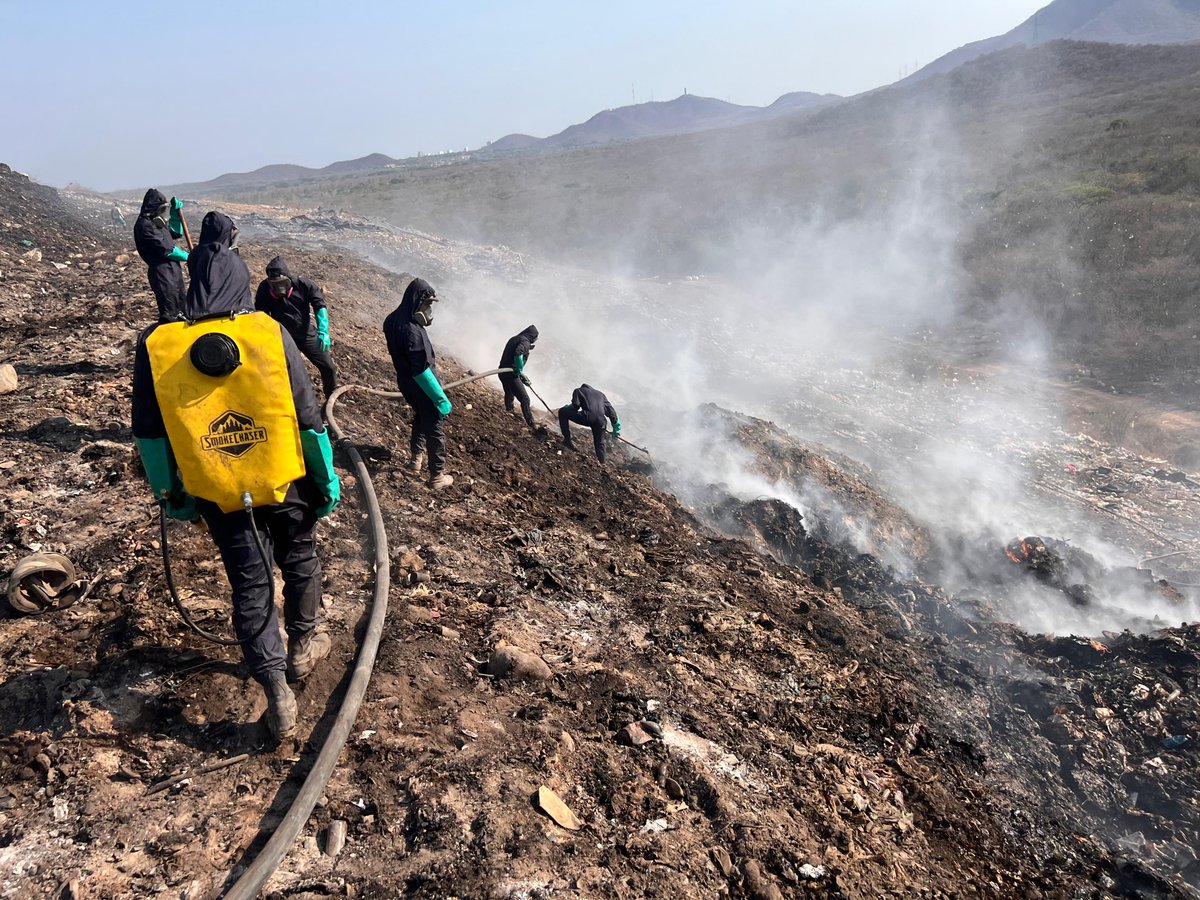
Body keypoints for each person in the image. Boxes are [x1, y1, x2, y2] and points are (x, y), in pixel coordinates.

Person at [131, 210, 341, 741]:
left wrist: (171, 495)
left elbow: (150, 436)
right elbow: (309, 417)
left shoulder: (157, 346)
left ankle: (276, 692)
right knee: (300, 558)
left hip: (217, 489)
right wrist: (326, 481)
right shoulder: (268, 333)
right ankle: (303, 645)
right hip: (286, 480)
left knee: (249, 582)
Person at [383, 277, 453, 489]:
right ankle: (437, 476)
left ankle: (415, 460)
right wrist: (439, 397)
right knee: (434, 427)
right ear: (416, 301)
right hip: (420, 385)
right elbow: (421, 370)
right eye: (427, 304)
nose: (429, 309)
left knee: (420, 418)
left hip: (404, 382)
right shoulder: (412, 331)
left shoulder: (392, 320)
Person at [254, 256, 338, 399]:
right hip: (282, 336)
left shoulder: (305, 285)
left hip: (305, 334)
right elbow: (261, 314)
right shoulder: (265, 288)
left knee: (328, 368)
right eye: (274, 284)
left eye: (281, 284)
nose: (278, 288)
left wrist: (323, 331)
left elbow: (319, 305)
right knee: (280, 370)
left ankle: (330, 398)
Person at [133, 189, 188, 321]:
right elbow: (166, 249)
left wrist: (175, 215)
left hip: (173, 270)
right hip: (162, 272)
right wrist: (189, 256)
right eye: (161, 209)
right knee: (170, 309)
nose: (163, 212)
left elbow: (174, 233)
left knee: (181, 306)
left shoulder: (156, 223)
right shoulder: (145, 226)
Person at [559, 384, 621, 463]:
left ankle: (567, 440)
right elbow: (611, 411)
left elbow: (575, 405)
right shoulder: (601, 394)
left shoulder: (578, 390)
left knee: (562, 412)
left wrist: (568, 408)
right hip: (601, 422)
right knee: (600, 442)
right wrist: (616, 427)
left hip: (587, 417)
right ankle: (602, 462)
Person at [497, 325, 539, 428]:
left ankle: (509, 412)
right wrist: (519, 370)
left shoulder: (515, 338)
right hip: (510, 374)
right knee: (525, 399)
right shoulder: (525, 342)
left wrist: (520, 374)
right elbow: (518, 352)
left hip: (502, 371)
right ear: (532, 336)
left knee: (510, 393)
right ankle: (531, 424)